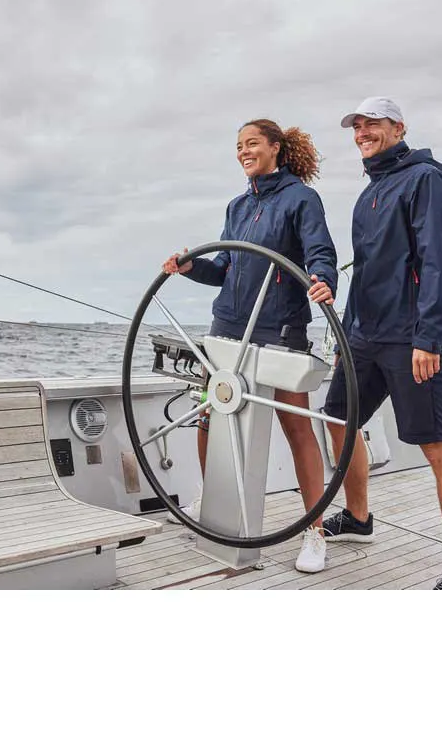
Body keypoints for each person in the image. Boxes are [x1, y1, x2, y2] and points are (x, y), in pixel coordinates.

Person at [163, 118, 338, 573]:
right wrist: (191, 268)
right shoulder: (237, 206)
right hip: (228, 328)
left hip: (279, 329)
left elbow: (319, 252)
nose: (243, 151)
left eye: (252, 143)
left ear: (275, 147)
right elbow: (224, 268)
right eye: (239, 145)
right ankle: (213, 508)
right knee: (210, 417)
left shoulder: (301, 199)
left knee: (297, 427)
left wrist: (323, 279)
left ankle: (314, 531)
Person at [322, 96, 442, 590]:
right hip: (363, 336)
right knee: (338, 419)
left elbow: (437, 262)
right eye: (357, 126)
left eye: (372, 124)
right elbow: (364, 272)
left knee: (436, 446)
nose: (362, 133)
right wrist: (345, 335)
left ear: (398, 128)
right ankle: (358, 517)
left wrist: (430, 338)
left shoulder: (426, 179)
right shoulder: (369, 192)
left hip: (411, 338)